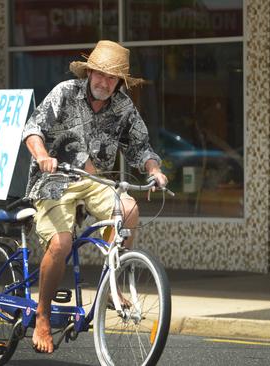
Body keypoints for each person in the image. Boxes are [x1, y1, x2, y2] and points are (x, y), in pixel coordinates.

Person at [22, 40, 168, 353]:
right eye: (99, 74)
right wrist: (43, 154)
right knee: (61, 243)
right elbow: (33, 128)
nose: (104, 82)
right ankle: (43, 315)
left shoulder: (123, 106)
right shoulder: (65, 93)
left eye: (111, 78)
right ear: (89, 72)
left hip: (93, 180)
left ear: (119, 82)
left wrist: (154, 170)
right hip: (55, 179)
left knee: (128, 210)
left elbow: (140, 147)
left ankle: (112, 285)